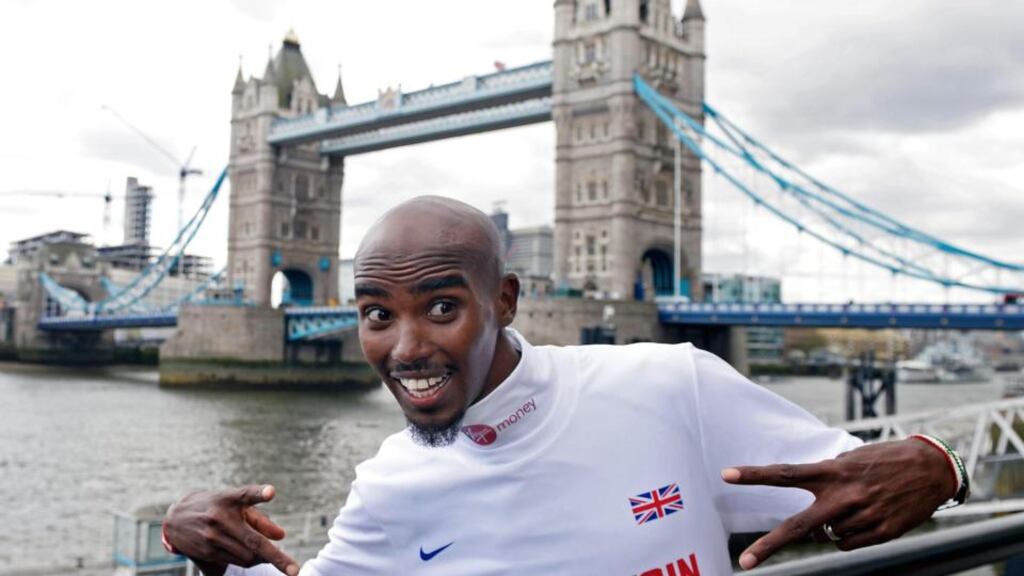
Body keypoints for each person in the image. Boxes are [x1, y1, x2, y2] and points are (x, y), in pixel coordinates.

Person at [164, 196, 965, 576]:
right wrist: (193, 535)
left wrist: (941, 463)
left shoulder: (669, 383)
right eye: (377, 314)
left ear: (505, 301)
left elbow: (859, 482)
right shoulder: (390, 487)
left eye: (442, 307)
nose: (406, 349)